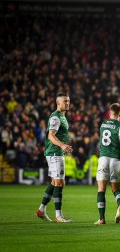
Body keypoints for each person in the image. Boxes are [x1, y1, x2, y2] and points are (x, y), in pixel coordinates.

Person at [35, 93, 74, 222]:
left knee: (54, 182)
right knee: (60, 183)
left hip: (56, 153)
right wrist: (62, 145)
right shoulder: (56, 117)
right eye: (64, 101)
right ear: (58, 103)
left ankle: (41, 210)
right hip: (55, 153)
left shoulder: (62, 116)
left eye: (68, 101)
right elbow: (51, 136)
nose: (67, 103)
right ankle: (58, 216)